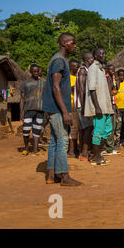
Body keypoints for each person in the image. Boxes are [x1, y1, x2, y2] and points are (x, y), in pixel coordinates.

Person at [43, 32, 82, 186]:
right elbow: (55, 86)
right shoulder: (59, 61)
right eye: (73, 43)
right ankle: (64, 176)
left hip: (53, 108)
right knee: (63, 140)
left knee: (54, 140)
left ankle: (51, 175)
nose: (75, 46)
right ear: (64, 43)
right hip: (58, 109)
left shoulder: (59, 59)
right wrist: (65, 111)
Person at [85, 48, 114, 166]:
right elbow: (92, 89)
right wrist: (97, 107)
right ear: (95, 56)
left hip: (105, 107)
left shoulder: (101, 69)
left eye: (104, 52)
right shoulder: (93, 69)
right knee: (98, 132)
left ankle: (98, 154)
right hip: (99, 107)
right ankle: (95, 156)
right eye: (100, 53)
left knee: (107, 131)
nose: (103, 55)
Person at [19, 64, 45, 155]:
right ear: (30, 72)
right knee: (26, 130)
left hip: (40, 110)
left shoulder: (43, 83)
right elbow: (22, 98)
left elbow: (46, 97)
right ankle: (26, 148)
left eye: (37, 71)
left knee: (37, 131)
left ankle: (35, 149)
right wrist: (21, 112)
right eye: (34, 71)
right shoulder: (25, 83)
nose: (36, 73)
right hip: (28, 110)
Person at [75, 52, 94, 161]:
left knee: (84, 128)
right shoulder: (83, 70)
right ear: (87, 59)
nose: (93, 60)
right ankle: (84, 153)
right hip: (83, 104)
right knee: (88, 127)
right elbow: (82, 89)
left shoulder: (86, 70)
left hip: (83, 104)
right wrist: (83, 106)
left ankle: (83, 151)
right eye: (91, 58)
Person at [102, 64, 120, 155]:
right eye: (111, 69)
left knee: (111, 126)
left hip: (112, 104)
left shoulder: (112, 78)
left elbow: (116, 90)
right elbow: (109, 92)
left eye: (114, 69)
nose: (113, 71)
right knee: (109, 126)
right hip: (108, 105)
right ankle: (108, 147)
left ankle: (108, 147)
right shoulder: (107, 78)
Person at [68, 59, 80, 157]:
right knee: (74, 128)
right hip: (71, 106)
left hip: (78, 106)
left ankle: (75, 149)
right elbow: (67, 89)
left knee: (78, 129)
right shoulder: (67, 78)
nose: (78, 68)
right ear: (71, 67)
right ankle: (71, 151)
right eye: (76, 67)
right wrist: (77, 86)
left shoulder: (78, 77)